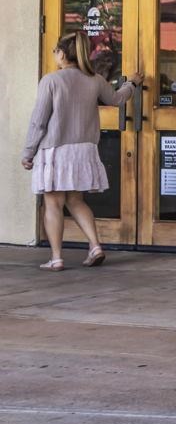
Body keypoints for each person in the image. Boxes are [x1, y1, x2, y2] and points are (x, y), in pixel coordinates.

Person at [20, 31, 143, 271]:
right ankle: (95, 245)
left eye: (55, 51)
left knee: (53, 204)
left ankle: (56, 258)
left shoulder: (51, 81)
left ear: (63, 54)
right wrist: (133, 84)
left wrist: (28, 152)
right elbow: (117, 99)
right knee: (76, 200)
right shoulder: (94, 79)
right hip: (84, 150)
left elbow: (39, 121)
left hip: (56, 150)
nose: (54, 55)